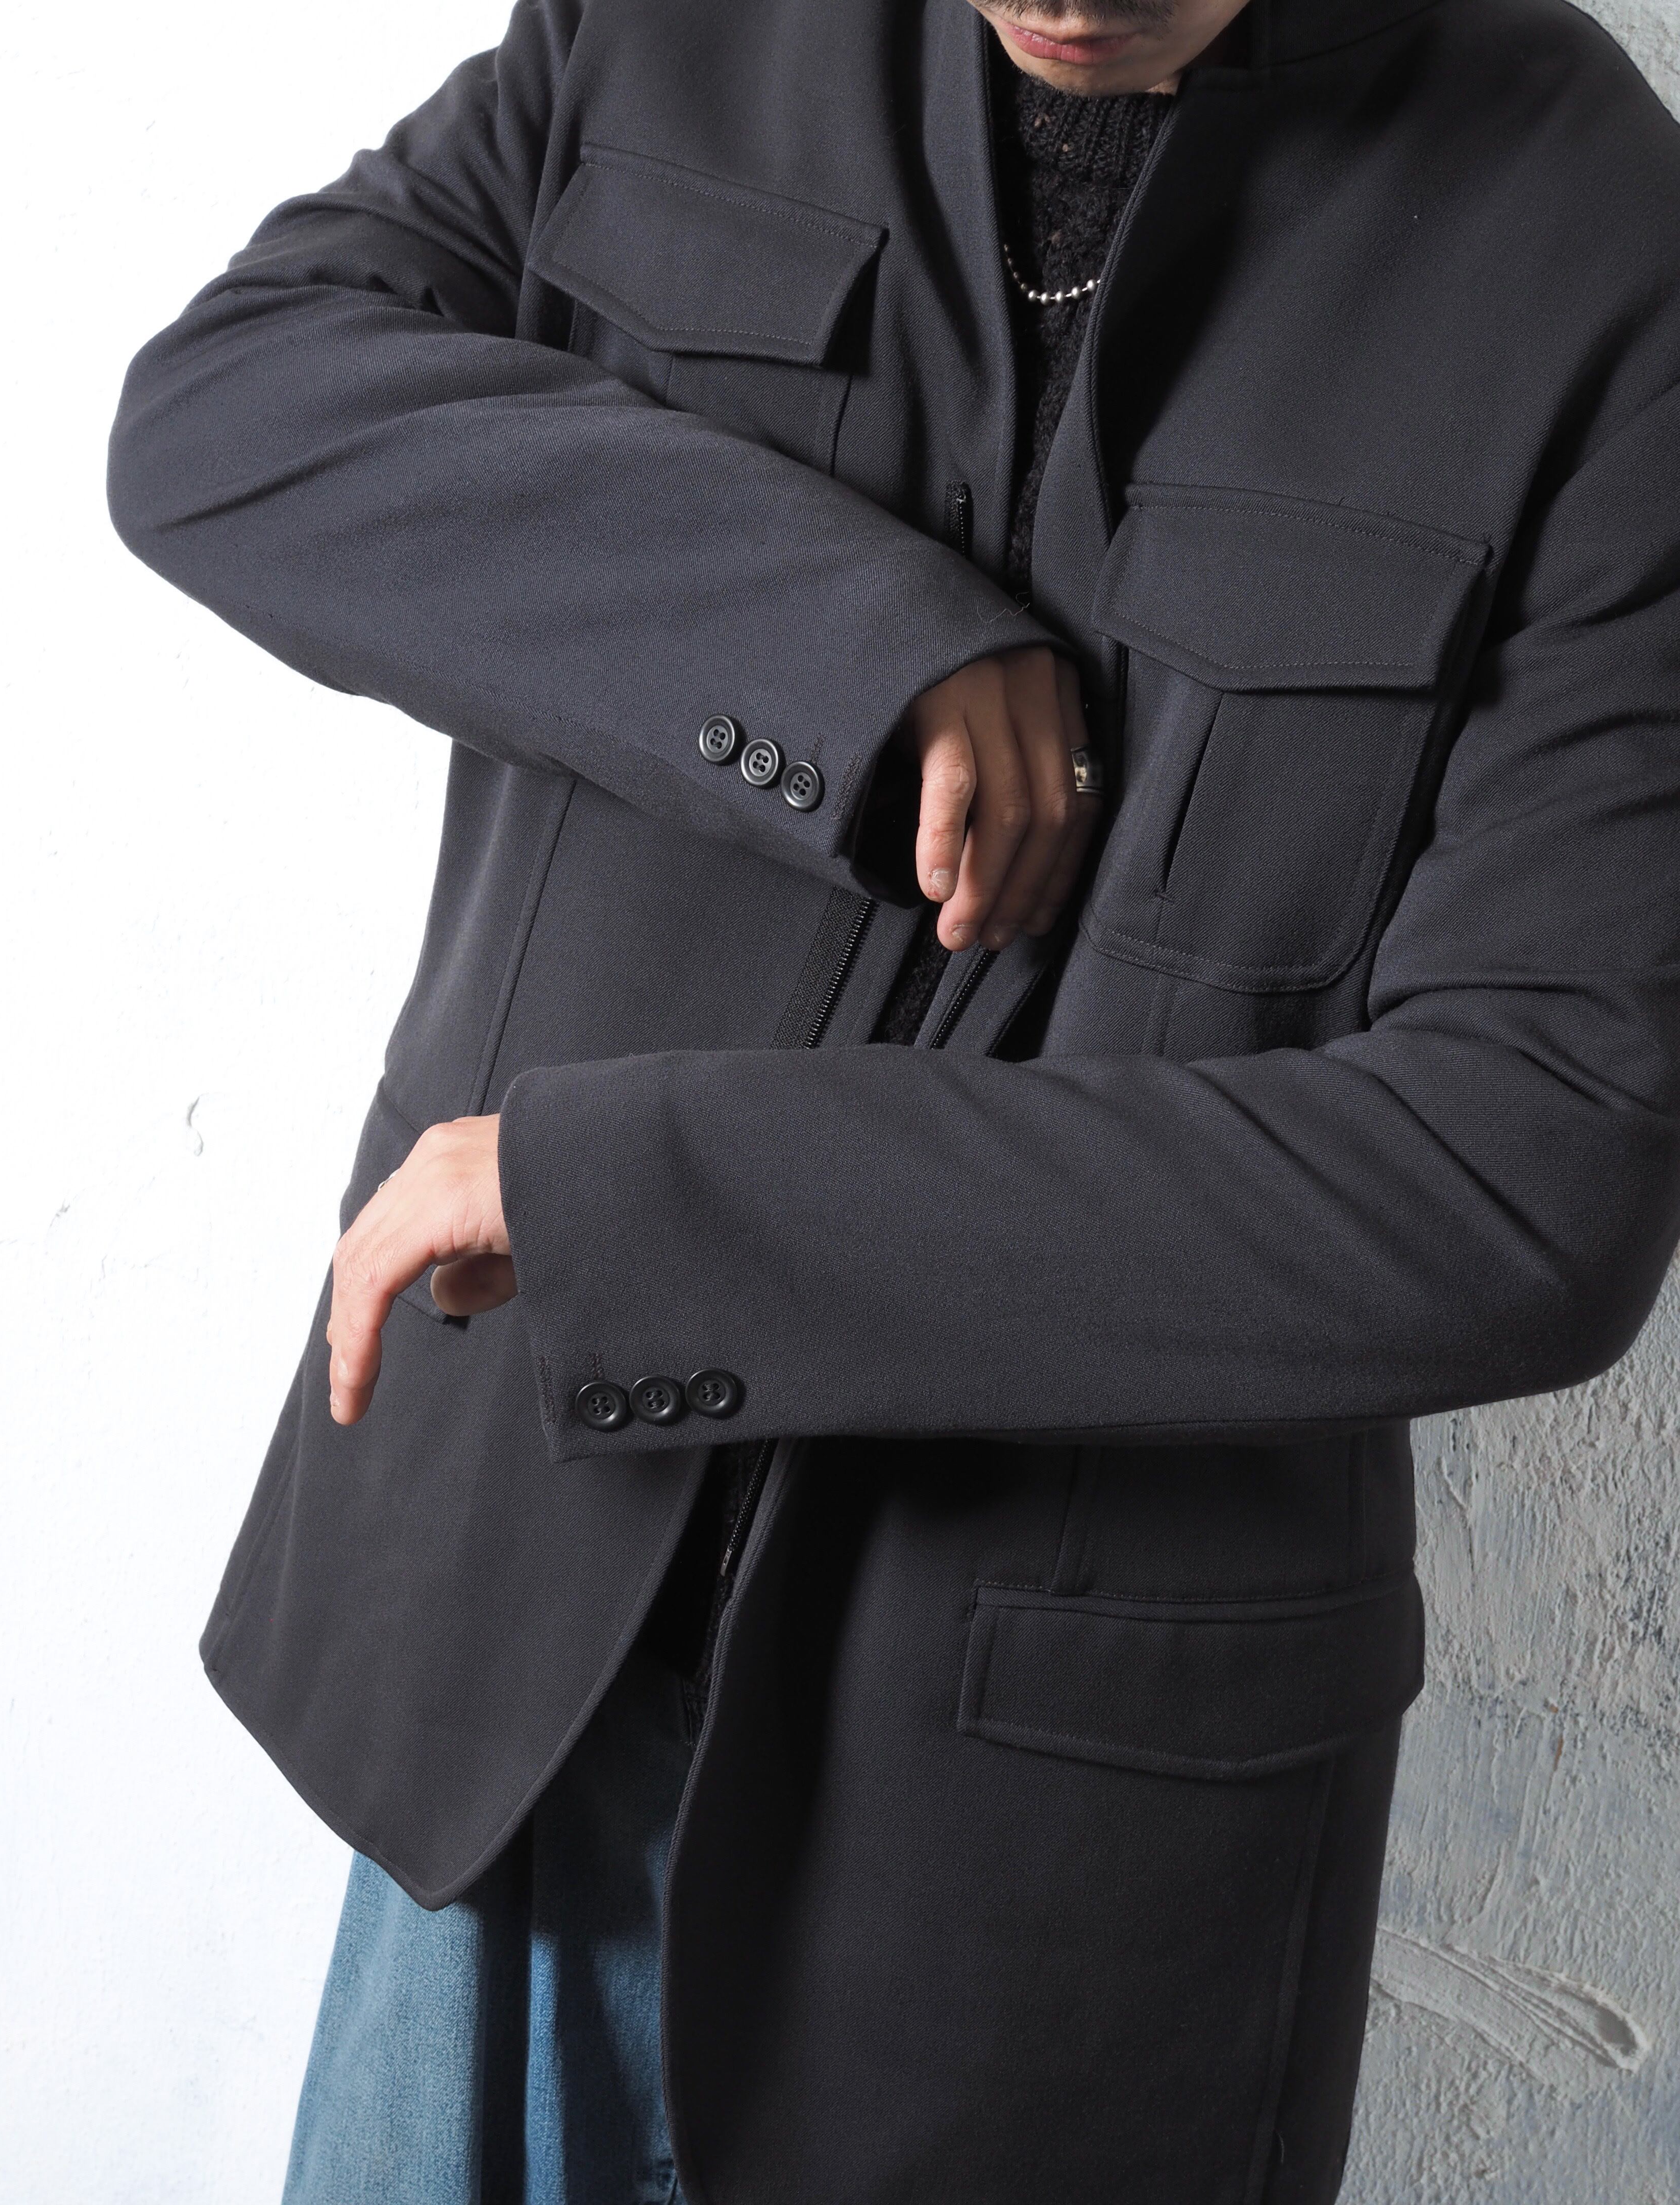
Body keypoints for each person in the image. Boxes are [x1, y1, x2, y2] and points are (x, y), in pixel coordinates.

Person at [107, 0, 1680, 2195]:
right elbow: (225, 416)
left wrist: (642, 1208)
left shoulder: (1593, 232)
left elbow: (1521, 1181)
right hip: (510, 1689)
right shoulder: (669, 28)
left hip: (1057, 1852)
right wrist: (860, 657)